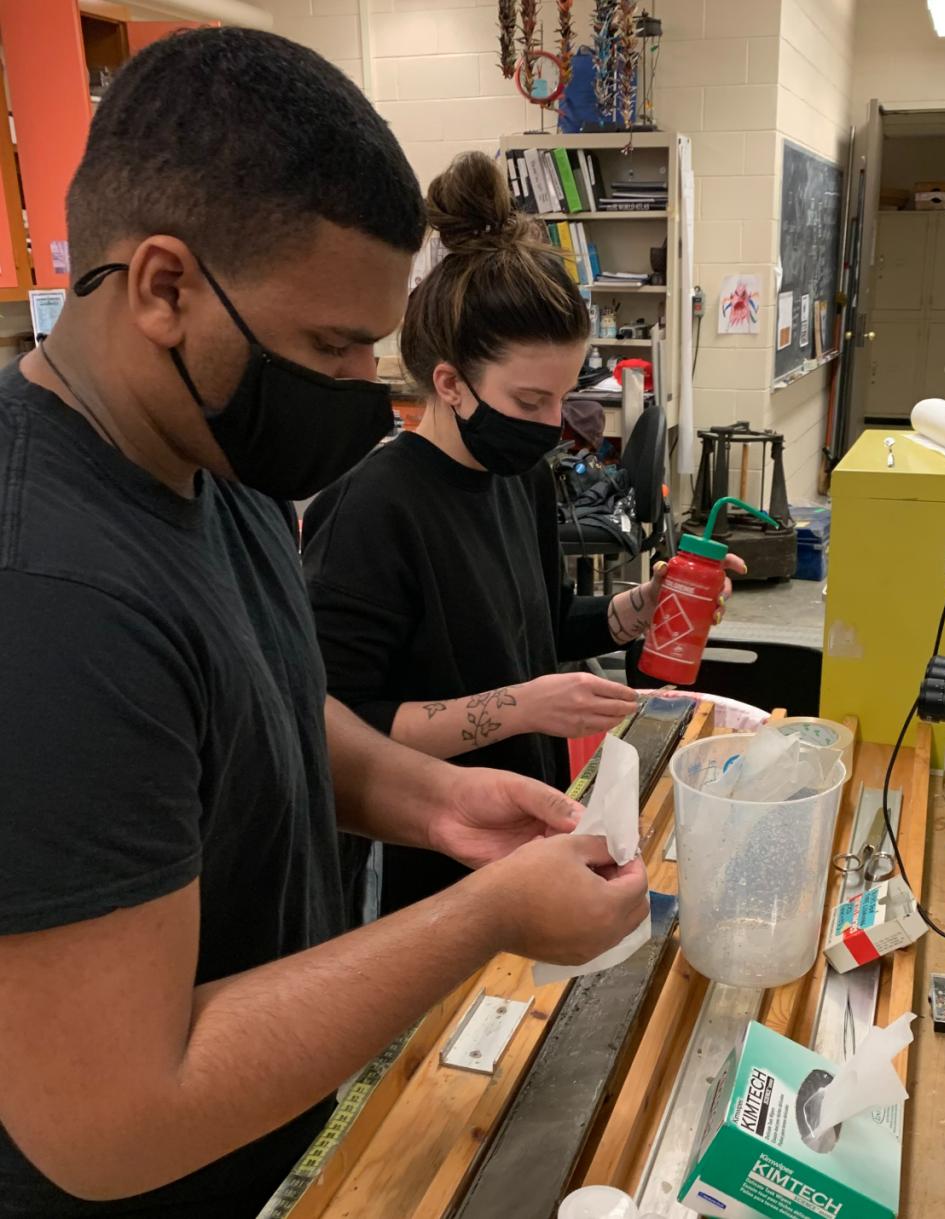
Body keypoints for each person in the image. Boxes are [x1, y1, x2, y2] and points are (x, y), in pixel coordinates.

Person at [0, 30, 647, 1219]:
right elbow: (110, 1117)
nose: (364, 385)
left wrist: (436, 800)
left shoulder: (210, 460)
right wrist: (489, 912)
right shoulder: (50, 596)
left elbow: (272, 714)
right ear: (162, 285)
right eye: (327, 345)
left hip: (273, 1143)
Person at [302, 152, 743, 916]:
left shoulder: (519, 477)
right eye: (532, 398)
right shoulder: (372, 508)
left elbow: (533, 627)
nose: (553, 426)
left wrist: (643, 606)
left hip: (526, 822)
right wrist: (524, 707)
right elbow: (340, 730)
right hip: (427, 866)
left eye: (565, 396)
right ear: (449, 383)